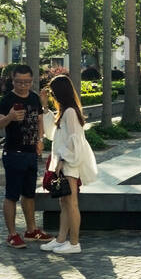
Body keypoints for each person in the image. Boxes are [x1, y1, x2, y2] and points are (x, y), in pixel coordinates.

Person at [0, 64, 53, 247]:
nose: (23, 85)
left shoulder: (34, 97)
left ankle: (31, 230)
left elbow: (39, 119)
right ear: (13, 81)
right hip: (13, 153)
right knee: (12, 195)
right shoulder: (7, 99)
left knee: (29, 194)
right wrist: (10, 117)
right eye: (19, 82)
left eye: (27, 82)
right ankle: (12, 234)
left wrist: (40, 139)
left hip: (30, 154)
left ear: (32, 80)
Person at [42, 73, 98, 255]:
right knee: (64, 201)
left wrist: (64, 159)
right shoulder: (65, 111)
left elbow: (76, 140)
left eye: (52, 92)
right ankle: (60, 239)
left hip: (69, 162)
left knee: (71, 202)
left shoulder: (70, 112)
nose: (52, 95)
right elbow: (52, 135)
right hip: (63, 161)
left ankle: (74, 242)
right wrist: (45, 107)